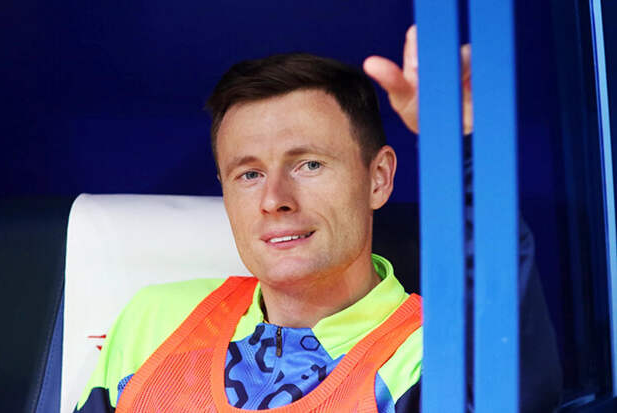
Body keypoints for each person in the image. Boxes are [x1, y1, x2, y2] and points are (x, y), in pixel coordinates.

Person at [74, 26, 561, 412]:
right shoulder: (154, 318)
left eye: (309, 165)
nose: (274, 200)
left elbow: (511, 395)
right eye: (249, 174)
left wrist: (466, 144)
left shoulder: (430, 355)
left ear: (378, 179)